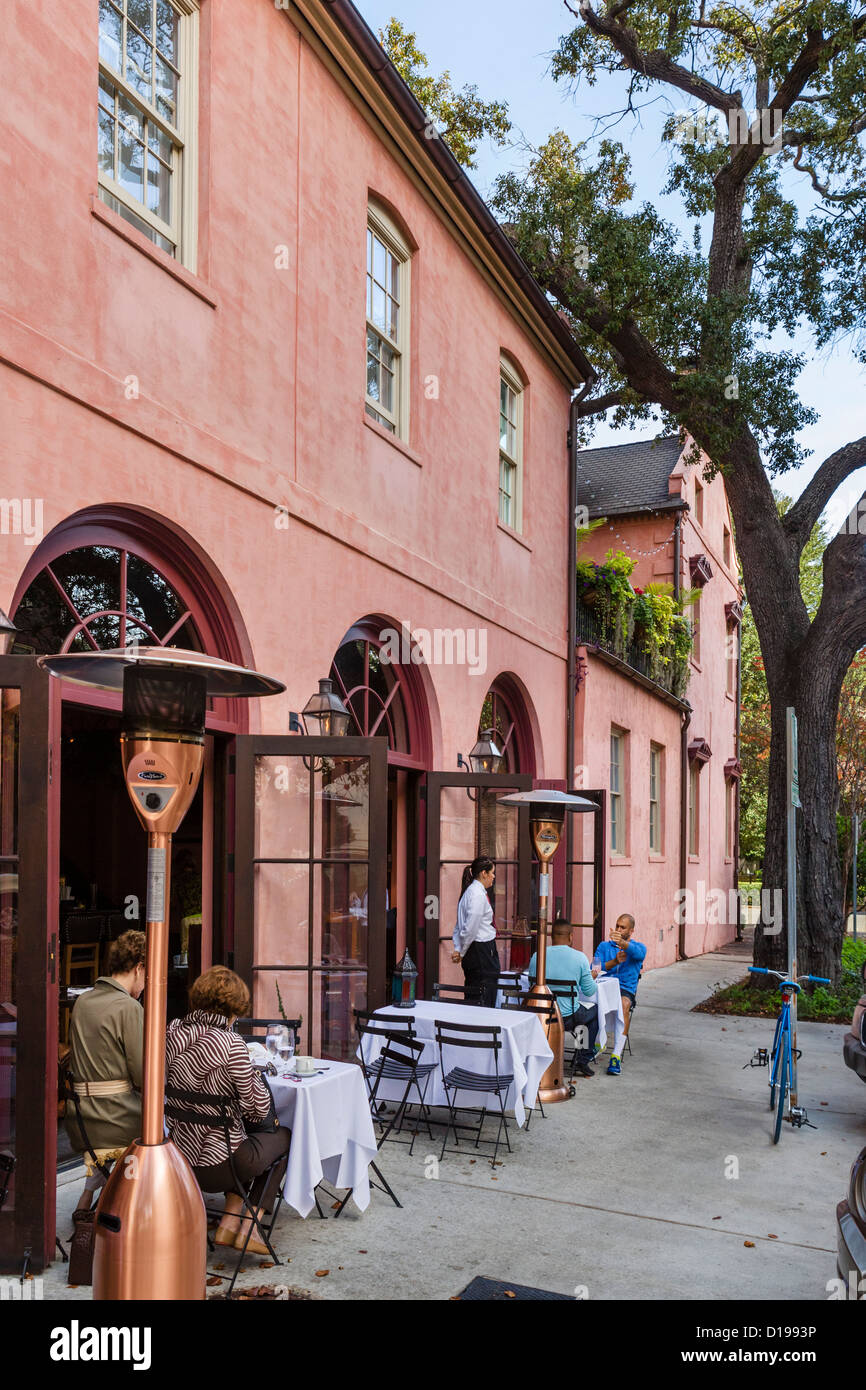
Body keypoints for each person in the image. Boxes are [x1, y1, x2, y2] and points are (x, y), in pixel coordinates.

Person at [165, 966, 291, 1255]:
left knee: (243, 1139)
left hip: (180, 1160)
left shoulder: (172, 1030)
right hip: (222, 1165)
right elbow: (257, 1111)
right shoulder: (231, 1043)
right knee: (283, 1137)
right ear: (233, 1008)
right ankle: (250, 1228)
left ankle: (229, 1220)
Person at [66, 930, 146, 1214]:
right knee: (171, 1127)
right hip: (116, 1117)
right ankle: (139, 1207)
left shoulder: (84, 1001)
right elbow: (142, 1075)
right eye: (146, 974)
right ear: (138, 968)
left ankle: (87, 1198)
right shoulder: (129, 1007)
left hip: (80, 1119)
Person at [528, 921, 598, 1077]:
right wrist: (591, 977)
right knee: (593, 1013)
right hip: (567, 1017)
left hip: (541, 1014)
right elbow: (589, 990)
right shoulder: (580, 958)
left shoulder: (537, 955)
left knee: (583, 1014)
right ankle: (581, 1059)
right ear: (571, 936)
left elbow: (531, 984)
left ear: (551, 937)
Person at [592, 913, 647, 1076]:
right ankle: (594, 1044)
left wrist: (622, 944)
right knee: (586, 1002)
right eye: (617, 926)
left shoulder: (637, 947)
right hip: (603, 985)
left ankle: (615, 1055)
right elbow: (594, 969)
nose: (618, 929)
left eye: (622, 927)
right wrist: (614, 961)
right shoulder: (603, 946)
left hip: (624, 988)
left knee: (623, 1004)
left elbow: (639, 954)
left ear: (631, 931)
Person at [450, 856, 499, 1007]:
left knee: (474, 992)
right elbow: (470, 928)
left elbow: (460, 926)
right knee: (483, 995)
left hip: (475, 950)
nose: (493, 876)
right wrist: (462, 951)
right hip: (481, 951)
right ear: (483, 873)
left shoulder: (469, 892)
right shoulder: (477, 895)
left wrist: (459, 949)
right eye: (492, 873)